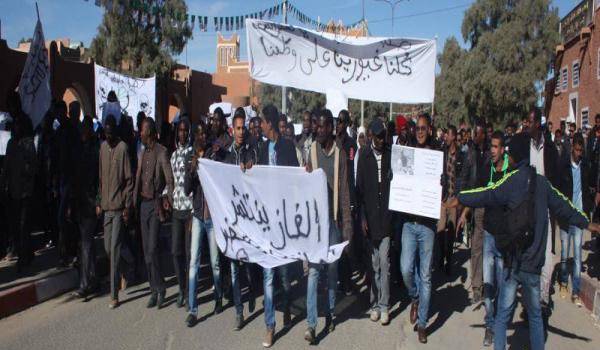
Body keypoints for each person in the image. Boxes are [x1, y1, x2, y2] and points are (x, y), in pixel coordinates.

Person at [449, 132, 600, 350]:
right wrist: (588, 223)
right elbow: (565, 207)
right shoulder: (543, 184)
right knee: (536, 317)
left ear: (515, 156)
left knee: (502, 315)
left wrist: (461, 198)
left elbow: (486, 194)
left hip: (514, 261)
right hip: (534, 263)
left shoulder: (510, 181)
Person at [304, 109, 353, 344]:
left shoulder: (340, 155)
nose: (319, 130)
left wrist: (347, 231)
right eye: (317, 126)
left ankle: (331, 312)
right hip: (315, 224)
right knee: (314, 272)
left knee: (332, 272)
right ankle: (312, 325)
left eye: (324, 126)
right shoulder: (311, 150)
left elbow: (344, 193)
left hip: (333, 223)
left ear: (332, 128)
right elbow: (303, 184)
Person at [458, 131, 509, 346]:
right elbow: (477, 192)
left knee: (500, 284)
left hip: (504, 239)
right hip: (488, 235)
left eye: (496, 147)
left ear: (503, 149)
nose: (493, 150)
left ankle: (499, 322)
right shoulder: (487, 168)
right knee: (489, 284)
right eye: (492, 147)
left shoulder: (511, 172)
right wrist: (464, 212)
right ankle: (489, 325)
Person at [257, 104, 298, 348]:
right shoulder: (262, 148)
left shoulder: (287, 147)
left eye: (262, 121)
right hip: (265, 220)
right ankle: (270, 325)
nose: (260, 125)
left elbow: (294, 181)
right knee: (268, 273)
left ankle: (288, 306)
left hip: (282, 218)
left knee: (283, 274)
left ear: (269, 123)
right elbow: (257, 176)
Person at [400, 114, 439, 344]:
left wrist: (441, 184)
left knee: (425, 275)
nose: (421, 132)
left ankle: (423, 323)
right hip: (408, 222)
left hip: (427, 226)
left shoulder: (436, 155)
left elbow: (442, 187)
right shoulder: (408, 152)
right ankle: (414, 297)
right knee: (405, 268)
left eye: (424, 128)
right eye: (418, 129)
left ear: (430, 130)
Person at [184, 120, 223, 327]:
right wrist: (192, 170)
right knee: (194, 263)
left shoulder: (213, 155)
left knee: (215, 262)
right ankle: (193, 309)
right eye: (197, 133)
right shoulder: (191, 157)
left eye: (203, 134)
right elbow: (186, 190)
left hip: (212, 217)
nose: (200, 137)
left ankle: (218, 297)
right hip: (198, 215)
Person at [134, 118, 174, 309]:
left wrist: (168, 199)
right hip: (143, 205)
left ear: (148, 132)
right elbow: (138, 179)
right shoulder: (142, 153)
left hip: (155, 205)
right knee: (146, 252)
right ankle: (153, 289)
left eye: (141, 131)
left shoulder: (161, 152)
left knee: (152, 249)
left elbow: (169, 179)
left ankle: (161, 287)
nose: (139, 134)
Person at [225, 108, 259, 331]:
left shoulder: (252, 149)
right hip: (231, 218)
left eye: (243, 127)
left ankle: (253, 287)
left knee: (247, 263)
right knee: (233, 265)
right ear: (232, 129)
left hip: (248, 217)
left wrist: (250, 170)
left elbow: (258, 176)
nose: (240, 132)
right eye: (237, 128)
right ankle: (238, 311)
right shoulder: (226, 153)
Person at [356, 118, 392, 325]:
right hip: (369, 218)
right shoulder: (364, 155)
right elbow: (359, 190)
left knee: (385, 263)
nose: (381, 140)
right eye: (378, 137)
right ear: (371, 136)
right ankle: (375, 304)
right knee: (374, 265)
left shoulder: (390, 154)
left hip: (385, 218)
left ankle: (385, 305)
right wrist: (362, 217)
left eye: (383, 137)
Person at [98, 115, 133, 309]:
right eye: (106, 132)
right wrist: (98, 200)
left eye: (111, 131)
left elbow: (129, 180)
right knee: (107, 248)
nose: (108, 135)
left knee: (114, 249)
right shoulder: (102, 148)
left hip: (119, 208)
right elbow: (101, 177)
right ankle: (126, 266)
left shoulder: (123, 149)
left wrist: (127, 205)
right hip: (106, 207)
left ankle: (114, 295)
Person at [526, 108, 559, 311]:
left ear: (538, 123)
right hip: (528, 210)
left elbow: (556, 180)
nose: (527, 124)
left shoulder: (551, 149)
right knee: (531, 253)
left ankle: (543, 298)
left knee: (547, 255)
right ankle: (531, 298)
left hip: (545, 208)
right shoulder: (524, 145)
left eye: (530, 121)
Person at [557, 133, 592, 307]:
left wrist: (587, 212)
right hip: (565, 216)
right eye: (577, 150)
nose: (579, 154)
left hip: (578, 217)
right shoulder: (563, 166)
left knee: (577, 255)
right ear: (572, 148)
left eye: (581, 151)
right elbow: (557, 191)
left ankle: (576, 291)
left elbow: (587, 189)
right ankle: (563, 281)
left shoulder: (585, 166)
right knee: (564, 253)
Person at [0, 114, 38, 271]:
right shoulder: (10, 144)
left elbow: (33, 166)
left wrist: (27, 171)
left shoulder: (28, 144)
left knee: (24, 225)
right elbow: (7, 167)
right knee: (16, 226)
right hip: (13, 191)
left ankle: (24, 257)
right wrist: (4, 183)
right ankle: (26, 252)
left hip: (26, 192)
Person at [70, 116, 100, 299]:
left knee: (86, 243)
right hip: (79, 202)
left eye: (85, 128)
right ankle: (94, 278)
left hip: (90, 204)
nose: (83, 131)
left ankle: (84, 283)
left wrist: (97, 201)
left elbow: (99, 180)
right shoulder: (79, 150)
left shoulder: (96, 150)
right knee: (86, 242)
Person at [169, 118, 194, 308]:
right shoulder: (174, 155)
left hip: (190, 210)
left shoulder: (192, 154)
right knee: (175, 251)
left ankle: (188, 293)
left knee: (188, 253)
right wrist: (165, 196)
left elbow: (194, 182)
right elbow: (171, 181)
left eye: (185, 131)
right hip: (176, 208)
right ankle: (181, 287)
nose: (183, 134)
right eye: (180, 131)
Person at [336, 109, 358, 295]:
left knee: (348, 243)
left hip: (348, 197)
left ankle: (348, 279)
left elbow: (353, 171)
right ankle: (339, 279)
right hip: (335, 197)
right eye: (338, 121)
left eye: (343, 121)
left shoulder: (351, 145)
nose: (339, 124)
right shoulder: (332, 143)